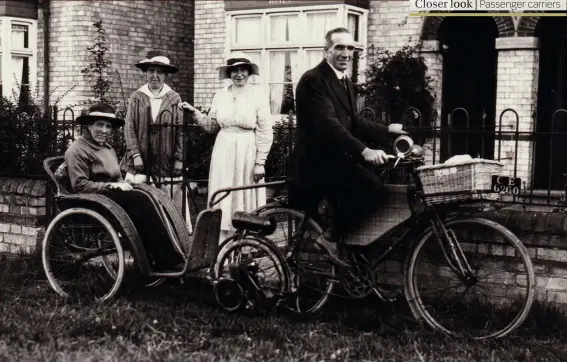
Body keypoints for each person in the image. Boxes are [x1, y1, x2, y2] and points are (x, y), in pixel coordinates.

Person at [287, 27, 407, 268]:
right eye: (339, 47)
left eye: (350, 48)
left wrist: (387, 131)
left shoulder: (345, 82)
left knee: (374, 184)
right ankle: (330, 238)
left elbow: (354, 122)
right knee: (374, 189)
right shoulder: (313, 80)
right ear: (326, 51)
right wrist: (365, 151)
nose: (346, 53)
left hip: (335, 159)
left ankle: (347, 247)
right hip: (315, 163)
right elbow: (328, 125)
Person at [179, 51, 273, 242]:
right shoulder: (220, 95)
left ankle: (247, 244)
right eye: (235, 70)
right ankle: (222, 243)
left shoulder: (258, 95)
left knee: (244, 192)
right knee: (224, 192)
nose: (239, 74)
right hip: (223, 150)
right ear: (229, 74)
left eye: (243, 70)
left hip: (247, 150)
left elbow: (265, 129)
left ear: (249, 72)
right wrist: (194, 112)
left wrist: (260, 162)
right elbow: (211, 126)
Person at [120, 50, 192, 232]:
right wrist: (135, 154)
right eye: (151, 71)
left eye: (160, 72)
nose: (155, 76)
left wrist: (179, 157)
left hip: (166, 159)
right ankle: (139, 237)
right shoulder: (137, 97)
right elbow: (129, 128)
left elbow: (181, 131)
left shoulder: (174, 98)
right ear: (146, 73)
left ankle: (174, 234)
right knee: (140, 199)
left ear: (166, 75)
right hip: (141, 159)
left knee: (170, 199)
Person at [64, 103, 133, 193]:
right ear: (90, 126)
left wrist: (124, 184)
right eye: (100, 125)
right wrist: (111, 186)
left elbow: (117, 177)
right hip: (93, 200)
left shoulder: (108, 149)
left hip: (112, 195)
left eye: (108, 126)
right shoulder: (77, 150)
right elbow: (79, 186)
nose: (104, 131)